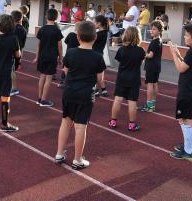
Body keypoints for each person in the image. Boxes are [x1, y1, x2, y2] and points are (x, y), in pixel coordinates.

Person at [55, 21, 106, 170]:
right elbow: (100, 79)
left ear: (77, 37)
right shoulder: (97, 57)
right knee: (80, 127)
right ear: (95, 37)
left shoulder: (71, 52)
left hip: (69, 92)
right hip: (85, 95)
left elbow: (65, 70)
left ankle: (59, 153)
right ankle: (77, 159)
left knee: (65, 122)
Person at [168, 22, 192, 161]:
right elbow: (187, 64)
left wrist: (173, 54)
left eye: (186, 35)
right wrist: (179, 55)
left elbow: (181, 68)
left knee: (186, 119)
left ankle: (188, 151)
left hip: (188, 91)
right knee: (185, 118)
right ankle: (187, 145)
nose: (184, 37)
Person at [109, 26, 145, 132]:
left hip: (122, 78)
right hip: (134, 79)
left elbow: (120, 60)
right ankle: (131, 124)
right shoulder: (141, 50)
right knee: (132, 101)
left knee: (118, 99)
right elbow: (141, 61)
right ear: (138, 37)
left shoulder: (121, 49)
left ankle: (113, 121)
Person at [33, 8, 63, 107]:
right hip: (51, 57)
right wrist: (61, 58)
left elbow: (38, 45)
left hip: (42, 56)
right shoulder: (57, 30)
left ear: (46, 17)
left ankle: (39, 98)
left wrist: (37, 56)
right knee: (48, 78)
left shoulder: (42, 29)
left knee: (42, 76)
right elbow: (60, 46)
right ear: (56, 18)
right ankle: (44, 100)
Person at [140, 21, 163, 112]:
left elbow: (150, 55)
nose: (151, 31)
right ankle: (152, 104)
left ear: (159, 31)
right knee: (154, 83)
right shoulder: (159, 40)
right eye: (151, 29)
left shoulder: (154, 42)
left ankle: (149, 105)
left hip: (151, 65)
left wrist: (142, 54)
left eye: (154, 29)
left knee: (150, 84)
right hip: (157, 65)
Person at [10, 10, 27, 96]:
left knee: (11, 70)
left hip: (12, 51)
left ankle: (14, 88)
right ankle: (12, 87)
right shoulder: (23, 30)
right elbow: (22, 44)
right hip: (18, 50)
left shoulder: (12, 28)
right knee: (11, 70)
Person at [93, 15, 109, 97]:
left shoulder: (98, 34)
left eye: (94, 22)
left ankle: (95, 90)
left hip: (94, 54)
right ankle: (103, 89)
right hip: (100, 54)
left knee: (94, 73)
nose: (93, 24)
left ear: (99, 23)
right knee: (98, 73)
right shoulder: (105, 32)